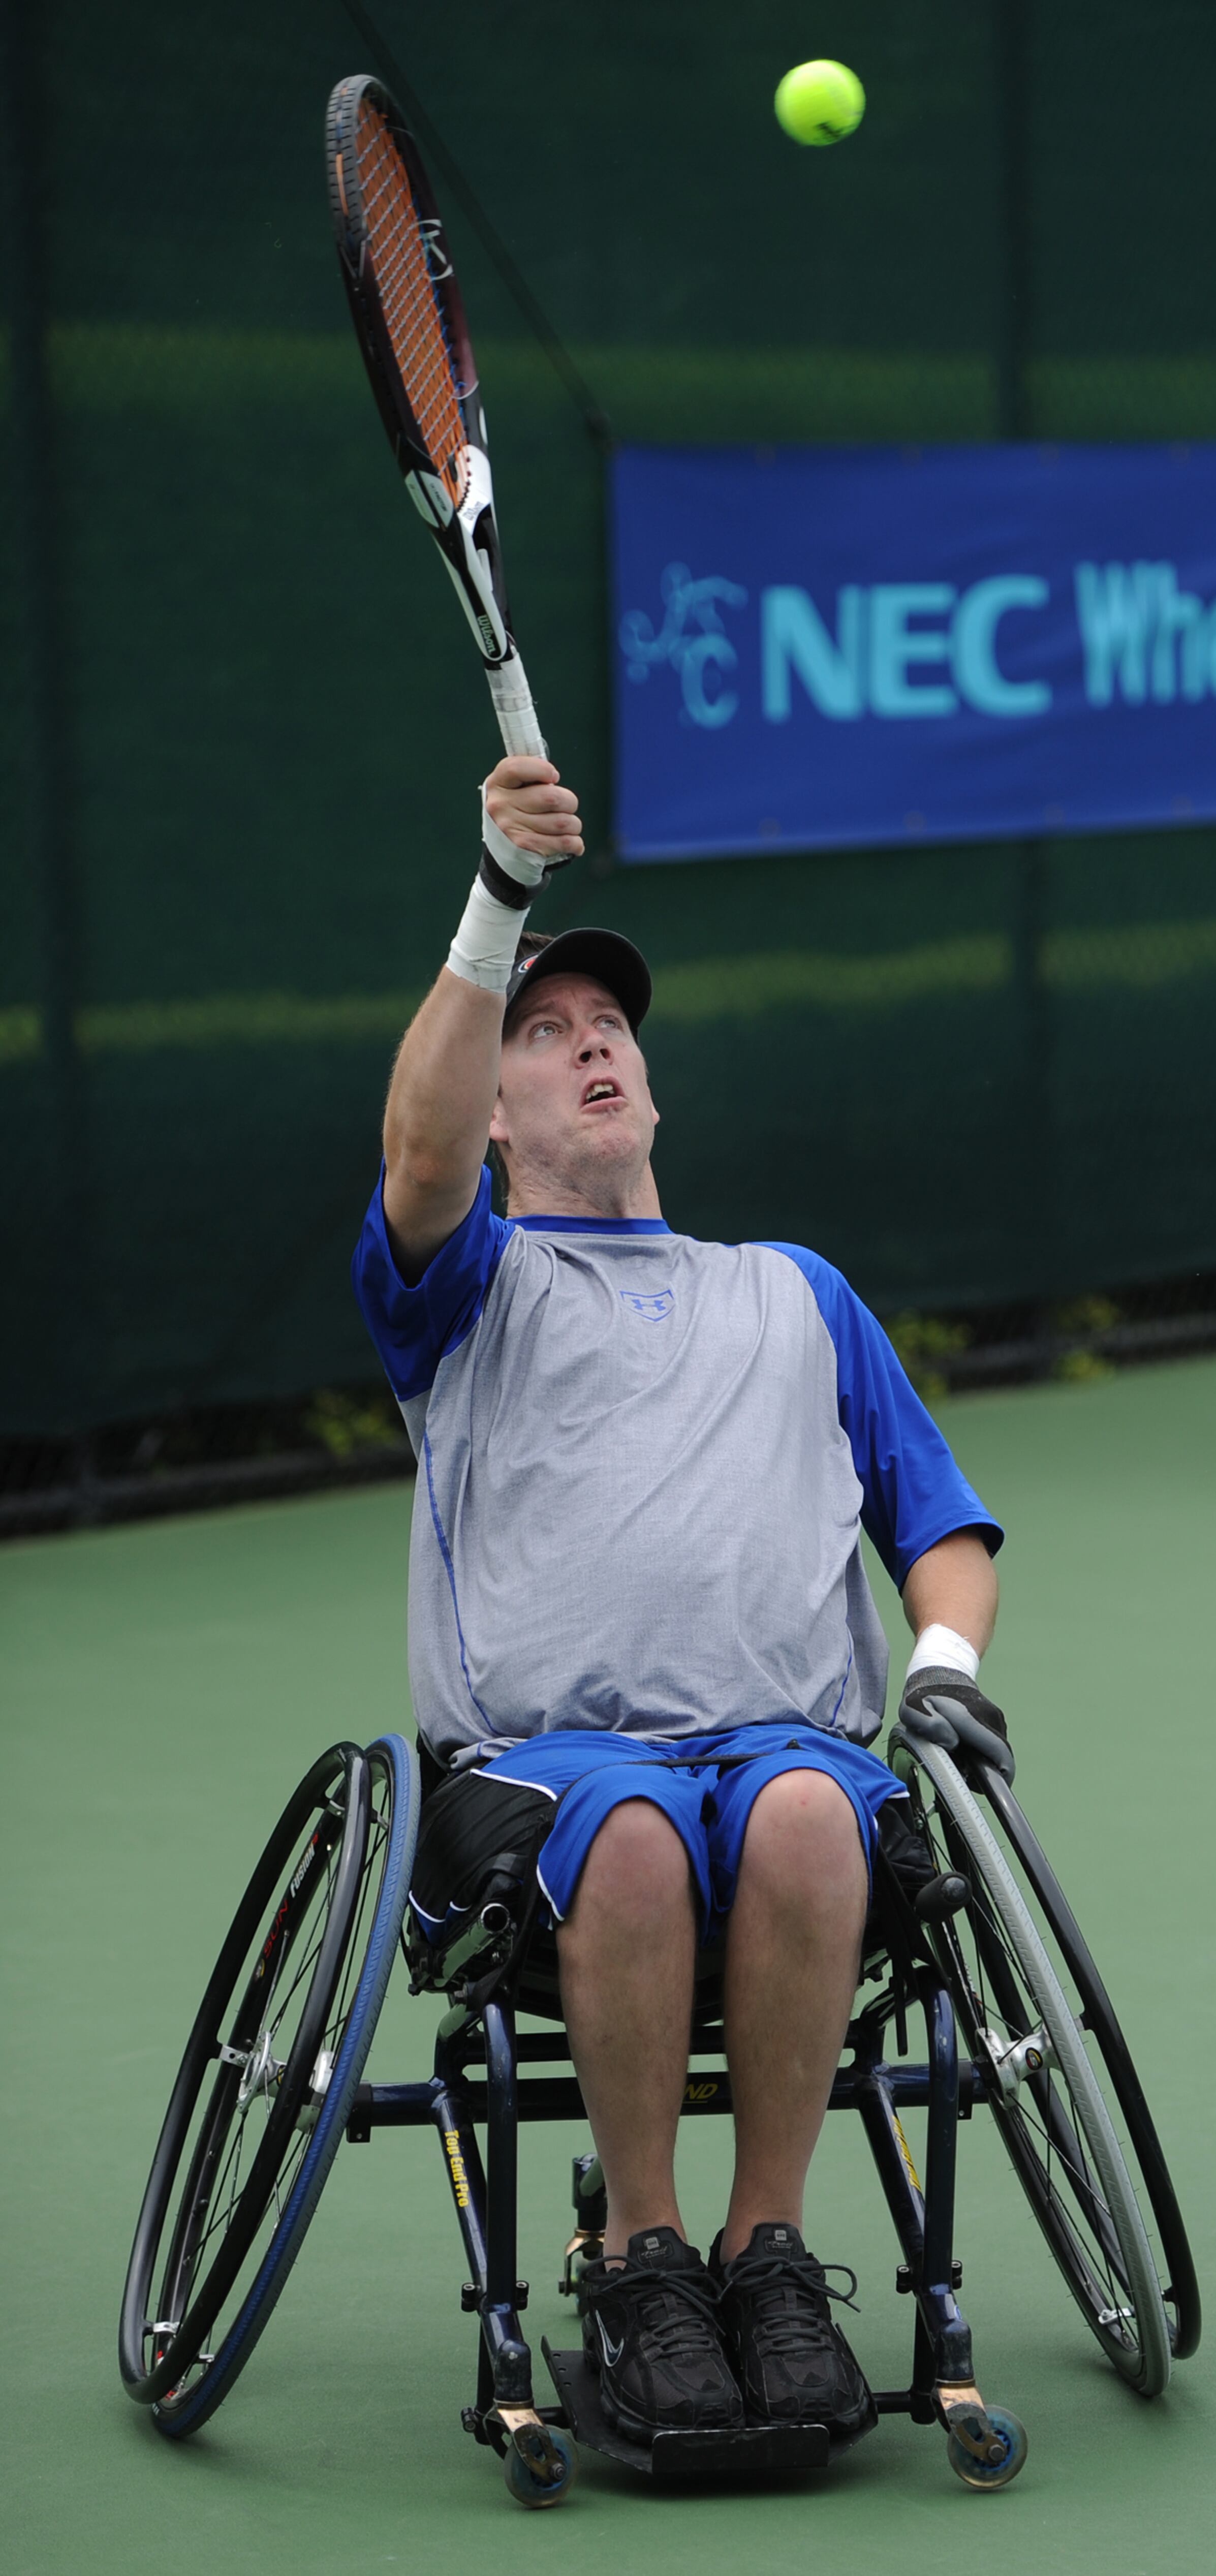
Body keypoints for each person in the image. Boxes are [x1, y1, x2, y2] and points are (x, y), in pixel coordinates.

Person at [351, 752, 1008, 2450]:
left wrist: (941, 1668)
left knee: (807, 1813)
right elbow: (413, 1155)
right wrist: (497, 894)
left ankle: (766, 2251)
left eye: (608, 1024)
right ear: (496, 1112)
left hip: (785, 1752)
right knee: (636, 1832)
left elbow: (942, 1528)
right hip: (540, 1779)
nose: (588, 1040)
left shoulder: (794, 1294)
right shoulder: (470, 1284)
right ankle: (643, 2259)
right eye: (544, 1028)